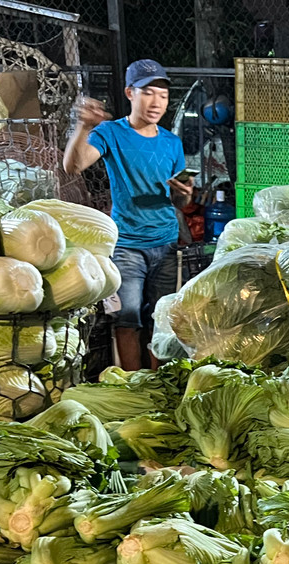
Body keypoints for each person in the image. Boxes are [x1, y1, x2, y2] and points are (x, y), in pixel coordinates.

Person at [63, 59, 195, 371]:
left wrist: (184, 195)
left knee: (162, 320)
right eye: (148, 93)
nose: (156, 102)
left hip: (166, 243)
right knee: (128, 317)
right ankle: (134, 385)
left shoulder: (171, 142)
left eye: (162, 95)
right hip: (127, 246)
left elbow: (177, 200)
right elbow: (73, 165)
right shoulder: (110, 132)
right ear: (130, 93)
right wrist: (83, 126)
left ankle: (159, 381)